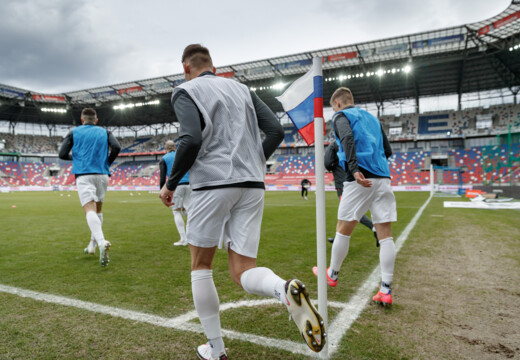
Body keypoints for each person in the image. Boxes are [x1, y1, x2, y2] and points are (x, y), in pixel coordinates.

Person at [159, 44, 325, 360]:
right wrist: (253, 162)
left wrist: (170, 183)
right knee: (242, 270)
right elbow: (275, 130)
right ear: (212, 64)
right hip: (251, 185)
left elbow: (191, 138)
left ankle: (217, 349)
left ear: (186, 67)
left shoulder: (185, 90)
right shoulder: (242, 89)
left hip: (212, 183)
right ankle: (283, 290)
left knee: (201, 265)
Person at [313, 87, 396, 306]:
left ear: (338, 104)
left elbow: (347, 137)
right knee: (385, 235)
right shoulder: (373, 119)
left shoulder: (341, 116)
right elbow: (387, 150)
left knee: (343, 229)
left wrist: (354, 167)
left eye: (333, 107)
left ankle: (332, 274)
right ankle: (385, 290)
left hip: (359, 177)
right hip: (383, 176)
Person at [59, 107, 121, 267]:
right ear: (96, 120)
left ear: (82, 120)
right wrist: (107, 162)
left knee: (89, 210)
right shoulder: (105, 132)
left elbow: (62, 154)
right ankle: (92, 245)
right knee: (98, 210)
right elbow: (117, 147)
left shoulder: (74, 132)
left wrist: (76, 156)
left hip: (84, 173)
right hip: (102, 175)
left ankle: (101, 242)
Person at [324, 141, 379, 247]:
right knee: (347, 212)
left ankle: (374, 227)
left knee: (350, 212)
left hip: (343, 183)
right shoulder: (352, 142)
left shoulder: (334, 144)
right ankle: (337, 237)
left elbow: (328, 163)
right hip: (353, 179)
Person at [159, 140, 191, 246]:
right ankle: (193, 237)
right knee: (188, 211)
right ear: (175, 147)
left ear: (165, 148)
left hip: (177, 185)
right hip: (190, 184)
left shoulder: (164, 158)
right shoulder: (183, 155)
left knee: (176, 211)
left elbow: (162, 178)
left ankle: (183, 239)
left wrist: (162, 192)